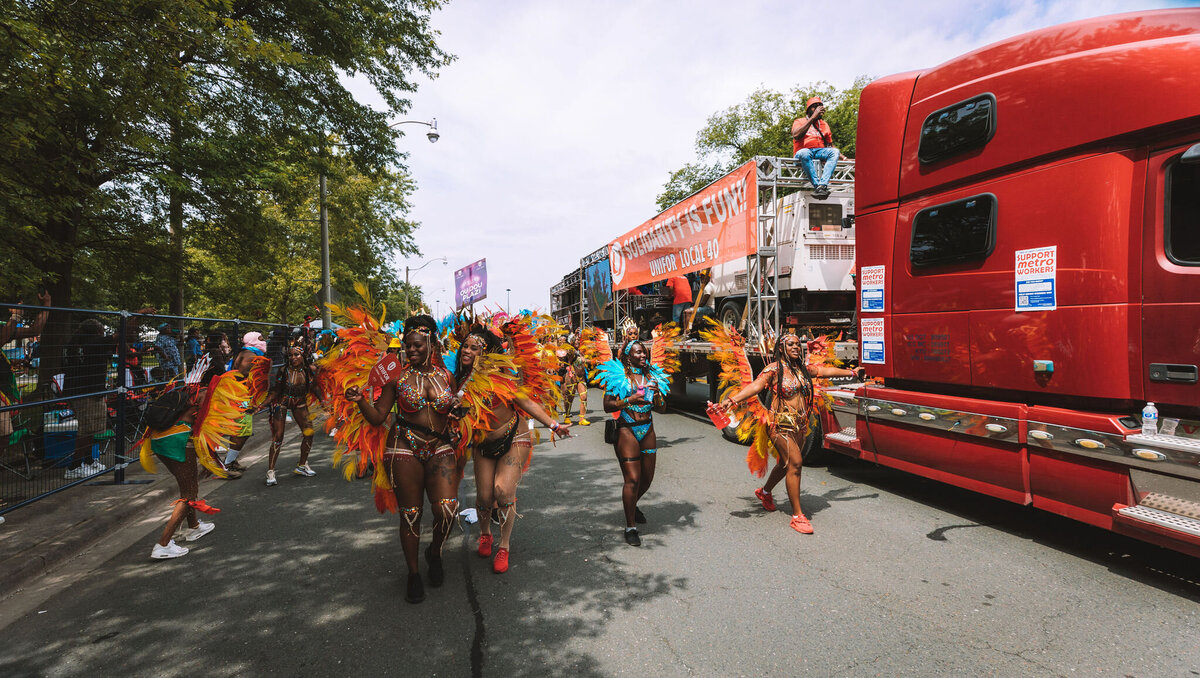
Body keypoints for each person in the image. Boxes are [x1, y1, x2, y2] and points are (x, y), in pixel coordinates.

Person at [344, 315, 458, 604]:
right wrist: (361, 402)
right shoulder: (397, 378)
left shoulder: (447, 377)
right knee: (411, 514)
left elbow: (453, 411)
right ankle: (413, 573)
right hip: (404, 446)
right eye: (407, 346)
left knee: (447, 510)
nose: (411, 350)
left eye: (417, 345)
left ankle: (435, 552)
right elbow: (379, 417)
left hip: (440, 446)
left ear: (430, 343)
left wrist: (459, 410)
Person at [719, 333, 861, 534]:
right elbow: (756, 386)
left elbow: (824, 370)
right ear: (782, 348)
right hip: (779, 425)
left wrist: (851, 373)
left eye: (798, 344)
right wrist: (733, 400)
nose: (796, 347)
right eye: (791, 344)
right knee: (795, 463)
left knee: (785, 465)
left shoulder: (802, 370)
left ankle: (765, 492)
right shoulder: (774, 370)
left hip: (800, 425)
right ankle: (797, 516)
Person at [455, 326, 569, 573]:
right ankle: (485, 534)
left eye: (474, 348)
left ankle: (504, 546)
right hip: (483, 444)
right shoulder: (458, 381)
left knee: (503, 491)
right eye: (465, 346)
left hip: (514, 438)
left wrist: (553, 424)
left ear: (485, 353)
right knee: (485, 497)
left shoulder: (501, 377)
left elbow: (525, 402)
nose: (467, 351)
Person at [597, 339, 670, 546]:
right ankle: (630, 527)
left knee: (647, 478)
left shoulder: (652, 375)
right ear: (628, 356)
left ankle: (632, 503)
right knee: (633, 479)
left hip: (648, 429)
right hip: (626, 429)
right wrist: (630, 400)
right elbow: (607, 406)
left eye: (644, 352)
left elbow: (662, 408)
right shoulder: (617, 375)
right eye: (638, 352)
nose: (643, 355)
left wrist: (657, 397)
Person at [144, 395, 216, 559]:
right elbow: (200, 429)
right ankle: (163, 545)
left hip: (159, 439)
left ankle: (194, 527)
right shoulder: (208, 395)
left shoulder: (192, 390)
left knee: (187, 486)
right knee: (189, 493)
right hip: (177, 438)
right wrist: (207, 459)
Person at [265, 344, 326, 483]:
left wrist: (323, 402)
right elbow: (275, 390)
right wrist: (262, 404)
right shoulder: (283, 370)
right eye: (290, 355)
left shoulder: (310, 370)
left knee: (309, 433)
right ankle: (271, 471)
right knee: (278, 436)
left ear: (303, 356)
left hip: (300, 403)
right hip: (282, 402)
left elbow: (315, 387)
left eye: (296, 355)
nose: (293, 358)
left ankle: (302, 465)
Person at [63, 318, 114, 479]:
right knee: (85, 430)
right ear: (97, 331)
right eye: (102, 330)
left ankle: (89, 460)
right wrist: (135, 316)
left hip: (87, 390)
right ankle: (74, 466)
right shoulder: (93, 342)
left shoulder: (78, 342)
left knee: (91, 428)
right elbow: (121, 336)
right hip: (85, 392)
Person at [792, 96, 845, 200]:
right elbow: (796, 135)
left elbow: (829, 145)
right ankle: (818, 186)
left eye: (820, 106)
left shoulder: (824, 124)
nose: (819, 108)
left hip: (819, 152)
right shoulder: (799, 121)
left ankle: (822, 185)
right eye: (815, 107)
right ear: (808, 111)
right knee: (804, 153)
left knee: (834, 152)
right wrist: (812, 118)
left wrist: (844, 158)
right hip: (803, 153)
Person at [560, 347, 590, 426]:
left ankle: (582, 419)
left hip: (580, 379)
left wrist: (595, 361)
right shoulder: (563, 360)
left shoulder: (578, 356)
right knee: (569, 398)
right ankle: (567, 416)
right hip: (570, 379)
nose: (571, 353)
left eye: (572, 352)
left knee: (584, 397)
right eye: (569, 353)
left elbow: (585, 361)